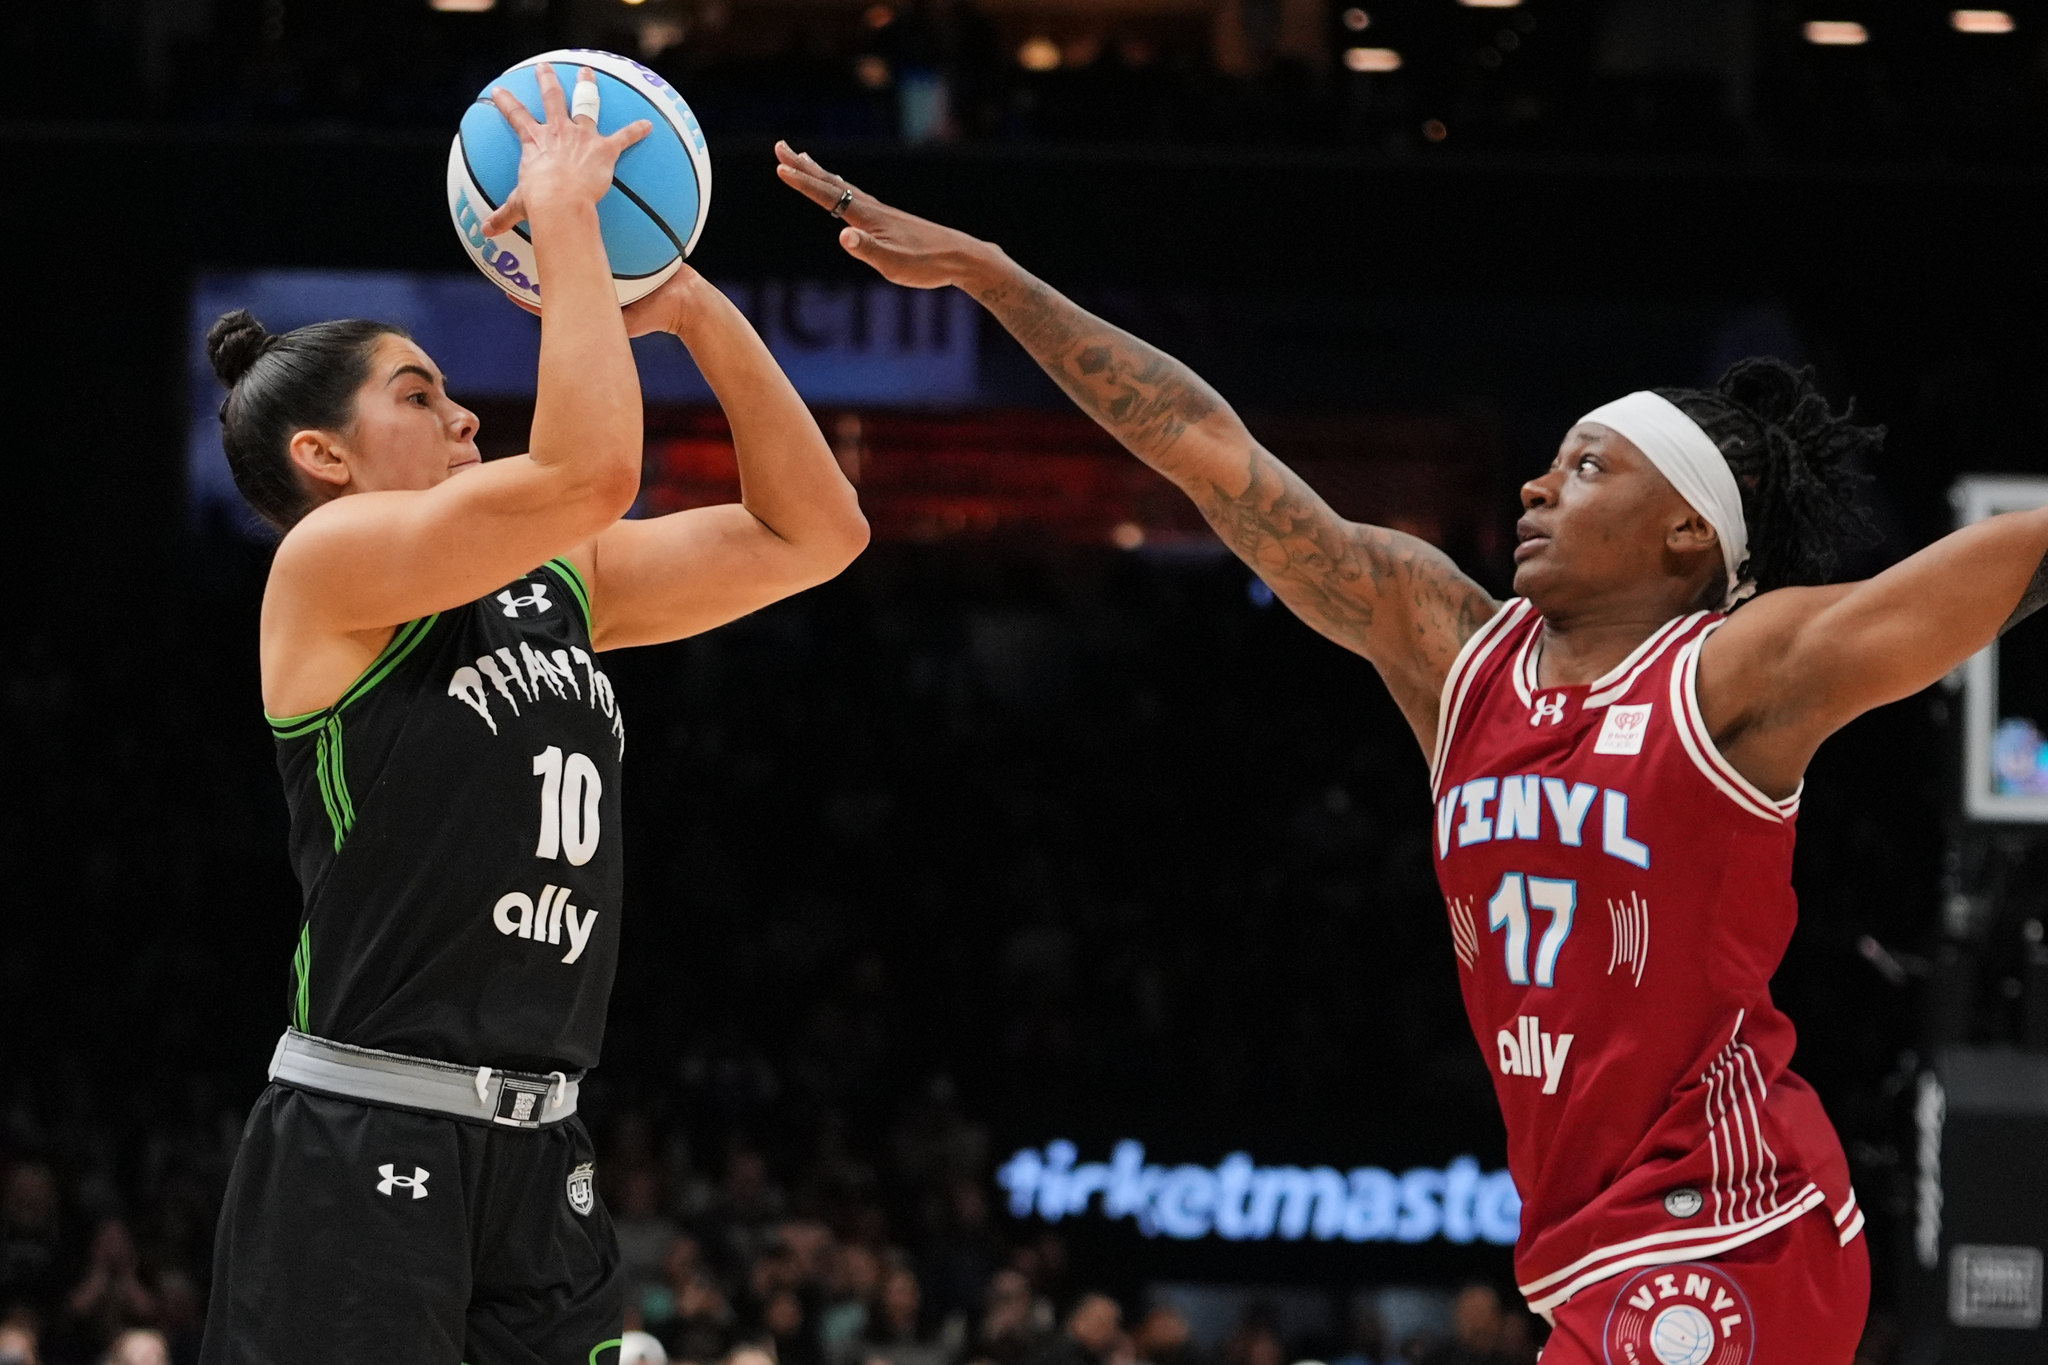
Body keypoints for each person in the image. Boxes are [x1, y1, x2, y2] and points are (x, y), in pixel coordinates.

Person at [771, 142, 2048, 1362]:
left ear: (1681, 535)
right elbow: (1212, 458)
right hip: (1585, 1246)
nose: (1535, 490)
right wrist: (999, 279)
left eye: (1584, 467)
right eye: (1546, 466)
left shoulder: (1728, 678)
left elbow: (1994, 571)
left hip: (1729, 1223)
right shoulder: (1451, 653)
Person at [198, 66, 868, 1365]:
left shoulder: (556, 577)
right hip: (364, 1141)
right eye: (416, 395)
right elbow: (590, 473)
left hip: (541, 1144)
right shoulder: (324, 575)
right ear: (321, 458)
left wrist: (687, 305)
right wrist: (564, 220)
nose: (463, 415)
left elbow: (817, 531)